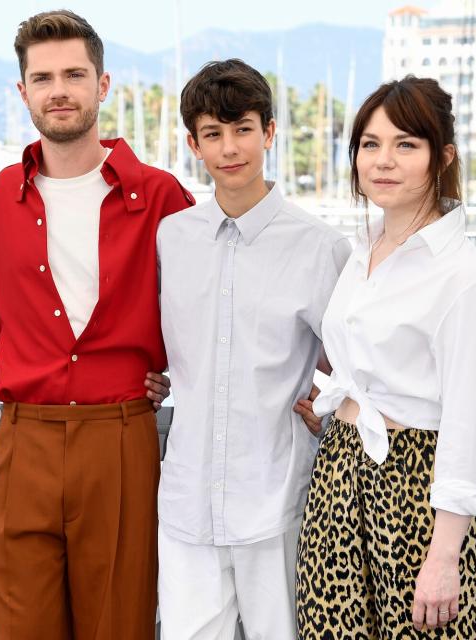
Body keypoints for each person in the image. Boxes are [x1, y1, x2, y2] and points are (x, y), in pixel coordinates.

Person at [0, 10, 193, 639]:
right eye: (42, 78)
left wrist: (171, 372)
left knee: (119, 625)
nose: (59, 90)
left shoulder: (160, 197)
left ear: (103, 85)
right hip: (24, 438)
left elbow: (202, 307)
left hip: (119, 437)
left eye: (74, 74)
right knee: (18, 626)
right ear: (24, 93)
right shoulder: (0, 198)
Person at [294, 75, 476, 638]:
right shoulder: (360, 251)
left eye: (406, 144)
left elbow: (468, 431)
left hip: (419, 493)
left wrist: (445, 556)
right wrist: (331, 407)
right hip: (337, 477)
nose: (383, 161)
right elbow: (363, 360)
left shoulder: (471, 281)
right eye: (370, 144)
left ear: (442, 157)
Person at [155, 59, 351, 640]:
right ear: (193, 143)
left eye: (242, 128)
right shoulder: (173, 237)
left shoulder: (320, 248)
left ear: (269, 132)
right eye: (212, 134)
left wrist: (335, 407)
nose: (229, 147)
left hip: (277, 501)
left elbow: (351, 366)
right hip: (187, 498)